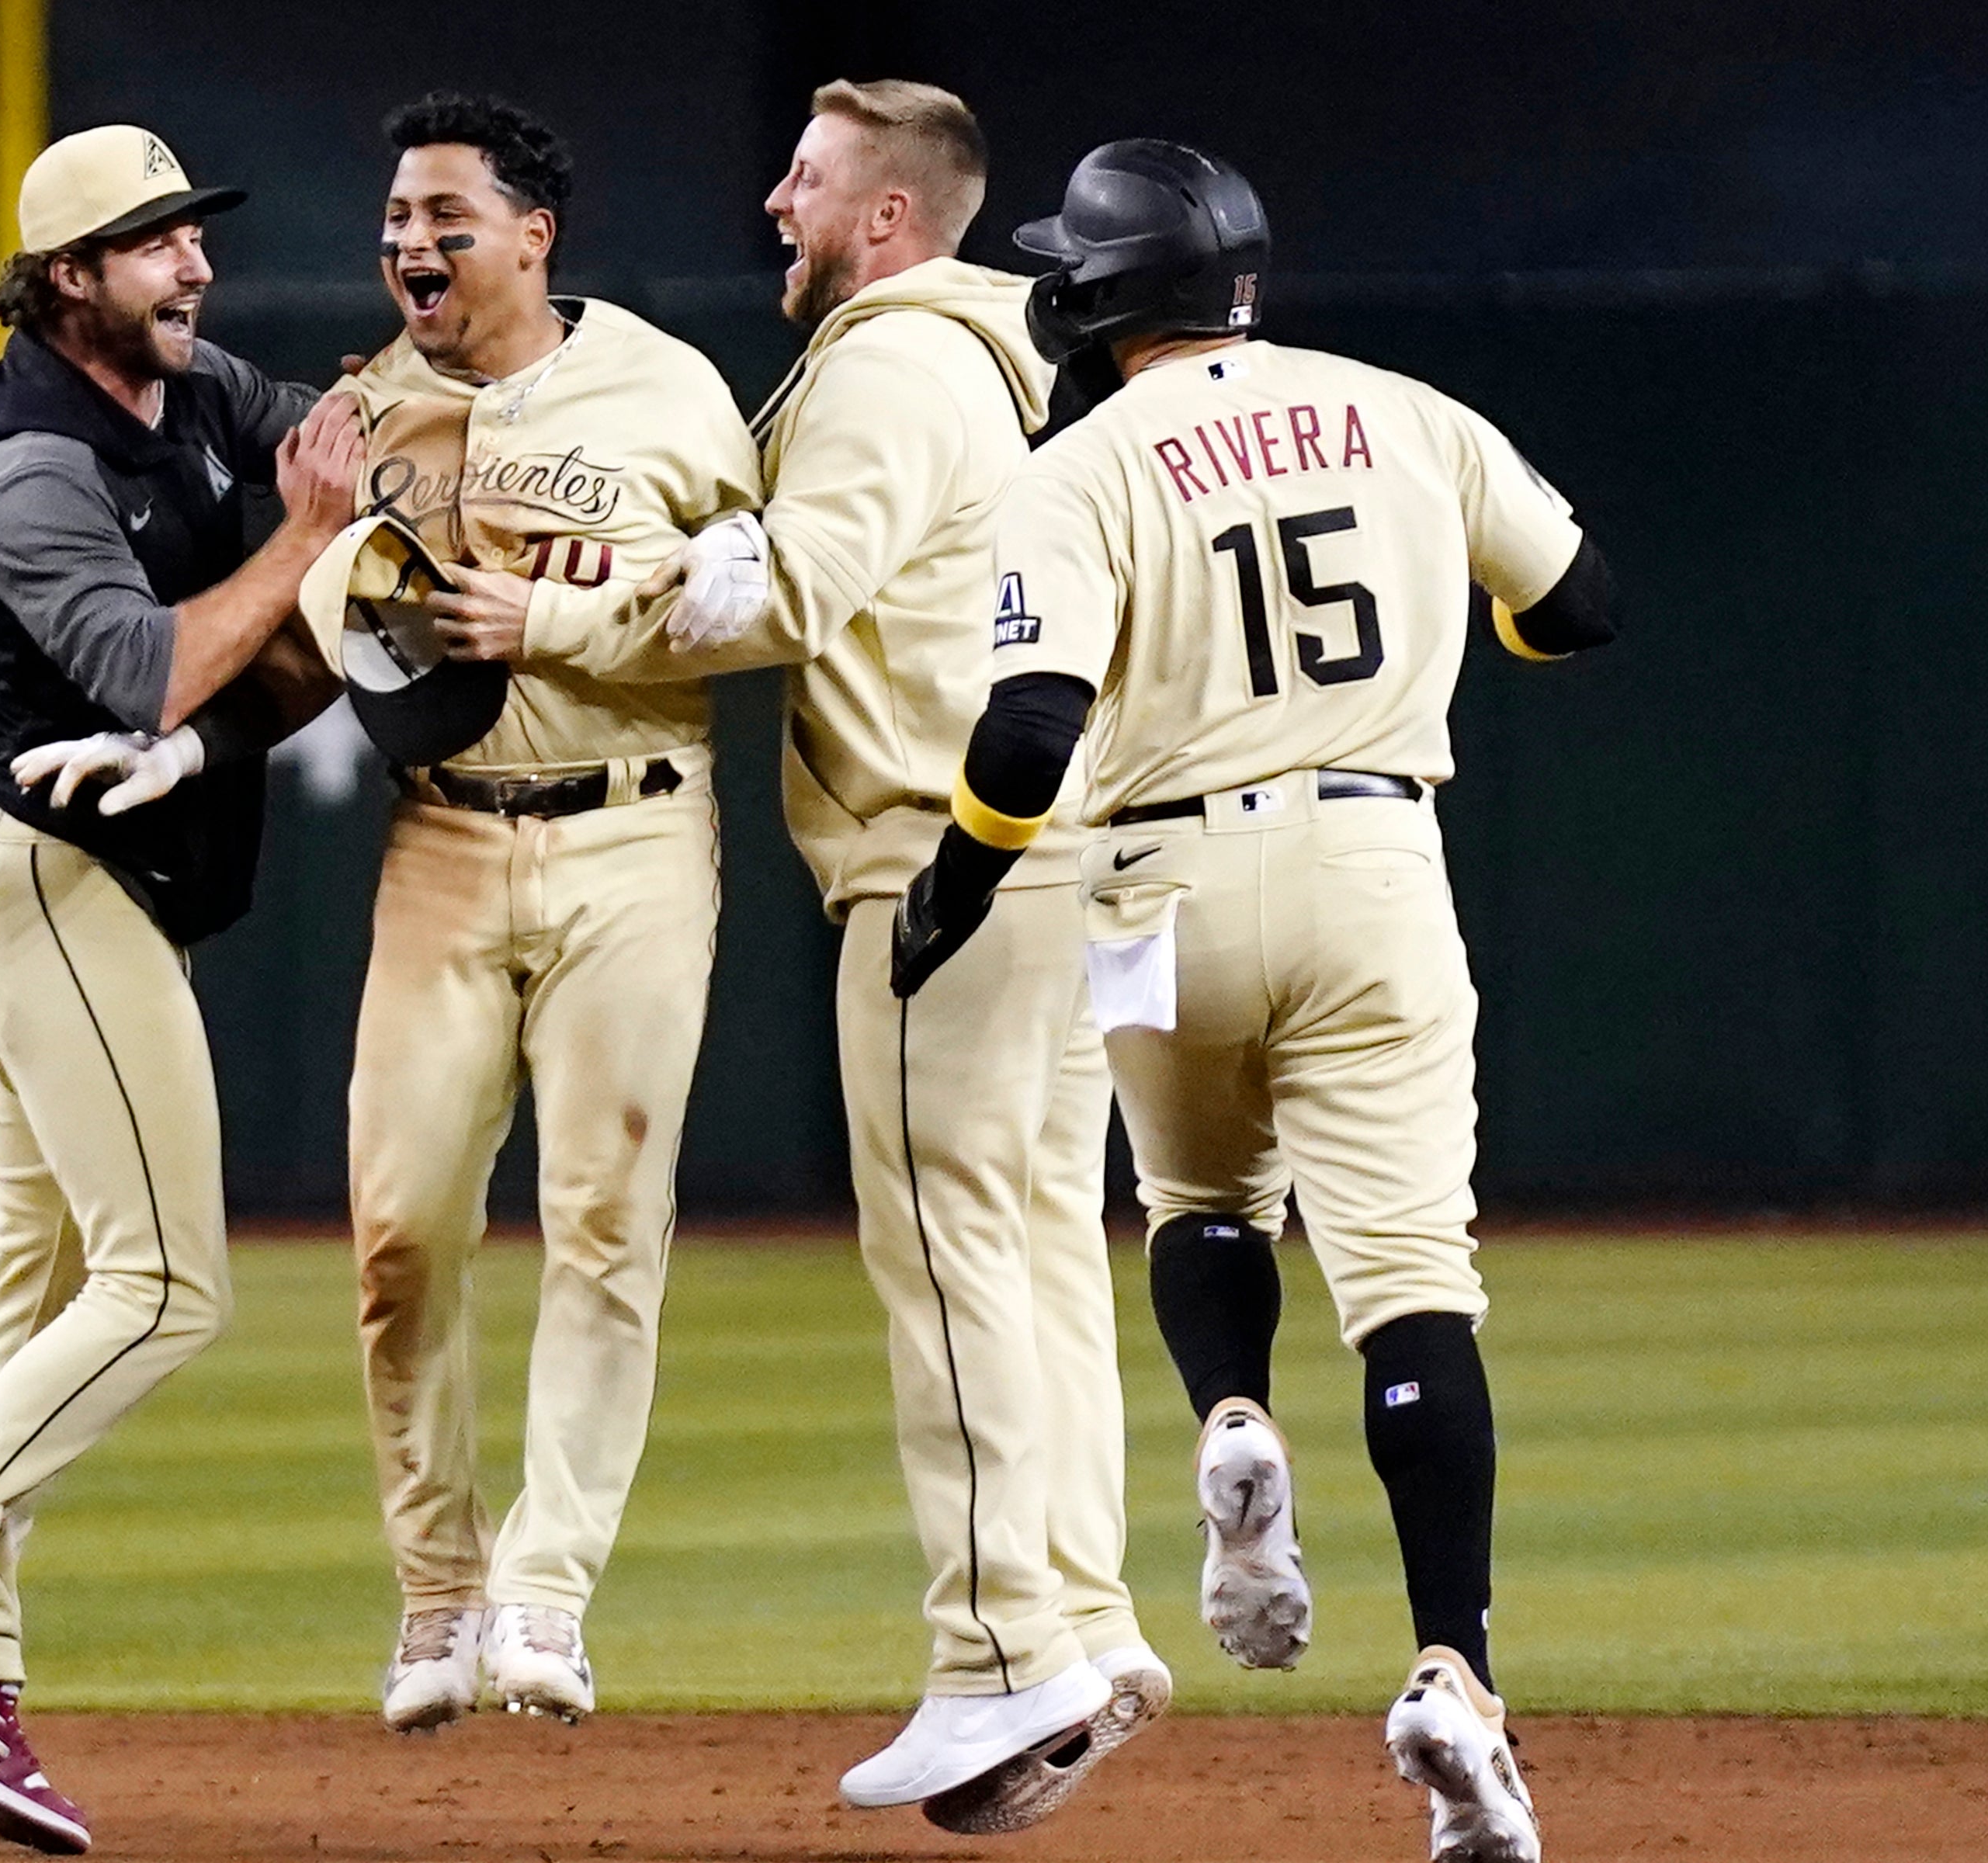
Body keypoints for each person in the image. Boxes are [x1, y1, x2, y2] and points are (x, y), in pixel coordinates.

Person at [893, 140, 1616, 1863]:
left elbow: (1025, 737)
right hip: (1375, 864)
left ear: (1097, 290)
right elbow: (1579, 609)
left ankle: (1234, 1425)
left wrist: (960, 881)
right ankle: (1455, 1678)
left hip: (1160, 891)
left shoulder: (1075, 467)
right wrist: (1449, 630)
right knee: (1413, 1293)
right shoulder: (1408, 411)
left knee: (1204, 1203)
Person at [494, 80, 1157, 1830]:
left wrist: (587, 602)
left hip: (944, 858)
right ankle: (1081, 1619)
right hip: (1055, 853)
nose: (774, 201)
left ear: (887, 218)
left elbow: (791, 590)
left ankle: (1001, 1655)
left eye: (806, 178)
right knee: (1030, 1253)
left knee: (950, 1259)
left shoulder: (887, 358)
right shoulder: (991, 362)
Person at [0, 124, 361, 1855]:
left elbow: (340, 448)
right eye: (150, 243)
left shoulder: (180, 386)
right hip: (52, 888)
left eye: (193, 233)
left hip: (86, 896)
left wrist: (388, 448)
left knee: (37, 1308)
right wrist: (307, 539)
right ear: (62, 281)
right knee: (169, 1287)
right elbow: (154, 669)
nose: (191, 266)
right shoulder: (33, 460)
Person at [342, 91, 758, 1730]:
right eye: (393, 218)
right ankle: (436, 1593)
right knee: (398, 1233)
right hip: (438, 847)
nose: (410, 243)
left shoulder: (666, 388)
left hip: (632, 836)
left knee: (604, 1218)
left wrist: (564, 615)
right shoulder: (361, 409)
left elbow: (761, 611)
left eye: (446, 215)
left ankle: (544, 1596)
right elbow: (332, 625)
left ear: (534, 234)